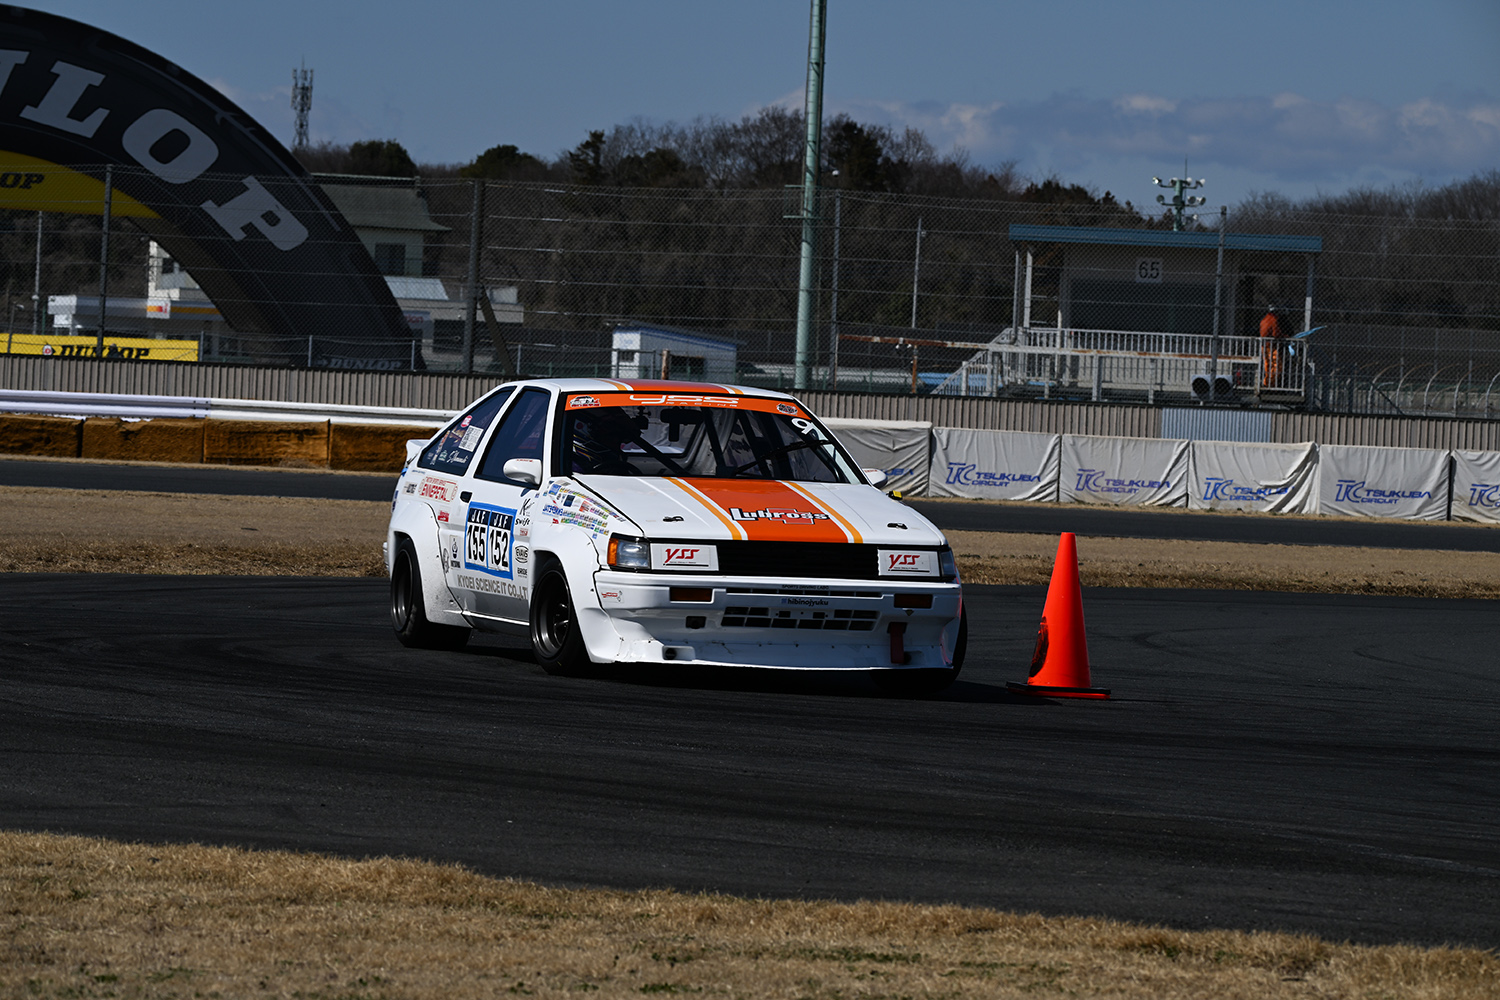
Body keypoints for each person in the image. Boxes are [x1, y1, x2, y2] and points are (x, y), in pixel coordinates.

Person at [1259, 306, 1285, 388]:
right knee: (1277, 365)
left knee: (1268, 365)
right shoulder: (1273, 320)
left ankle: (1267, 382)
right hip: (1271, 346)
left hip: (1264, 345)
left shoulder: (1264, 320)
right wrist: (1284, 336)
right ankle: (1271, 383)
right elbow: (1275, 334)